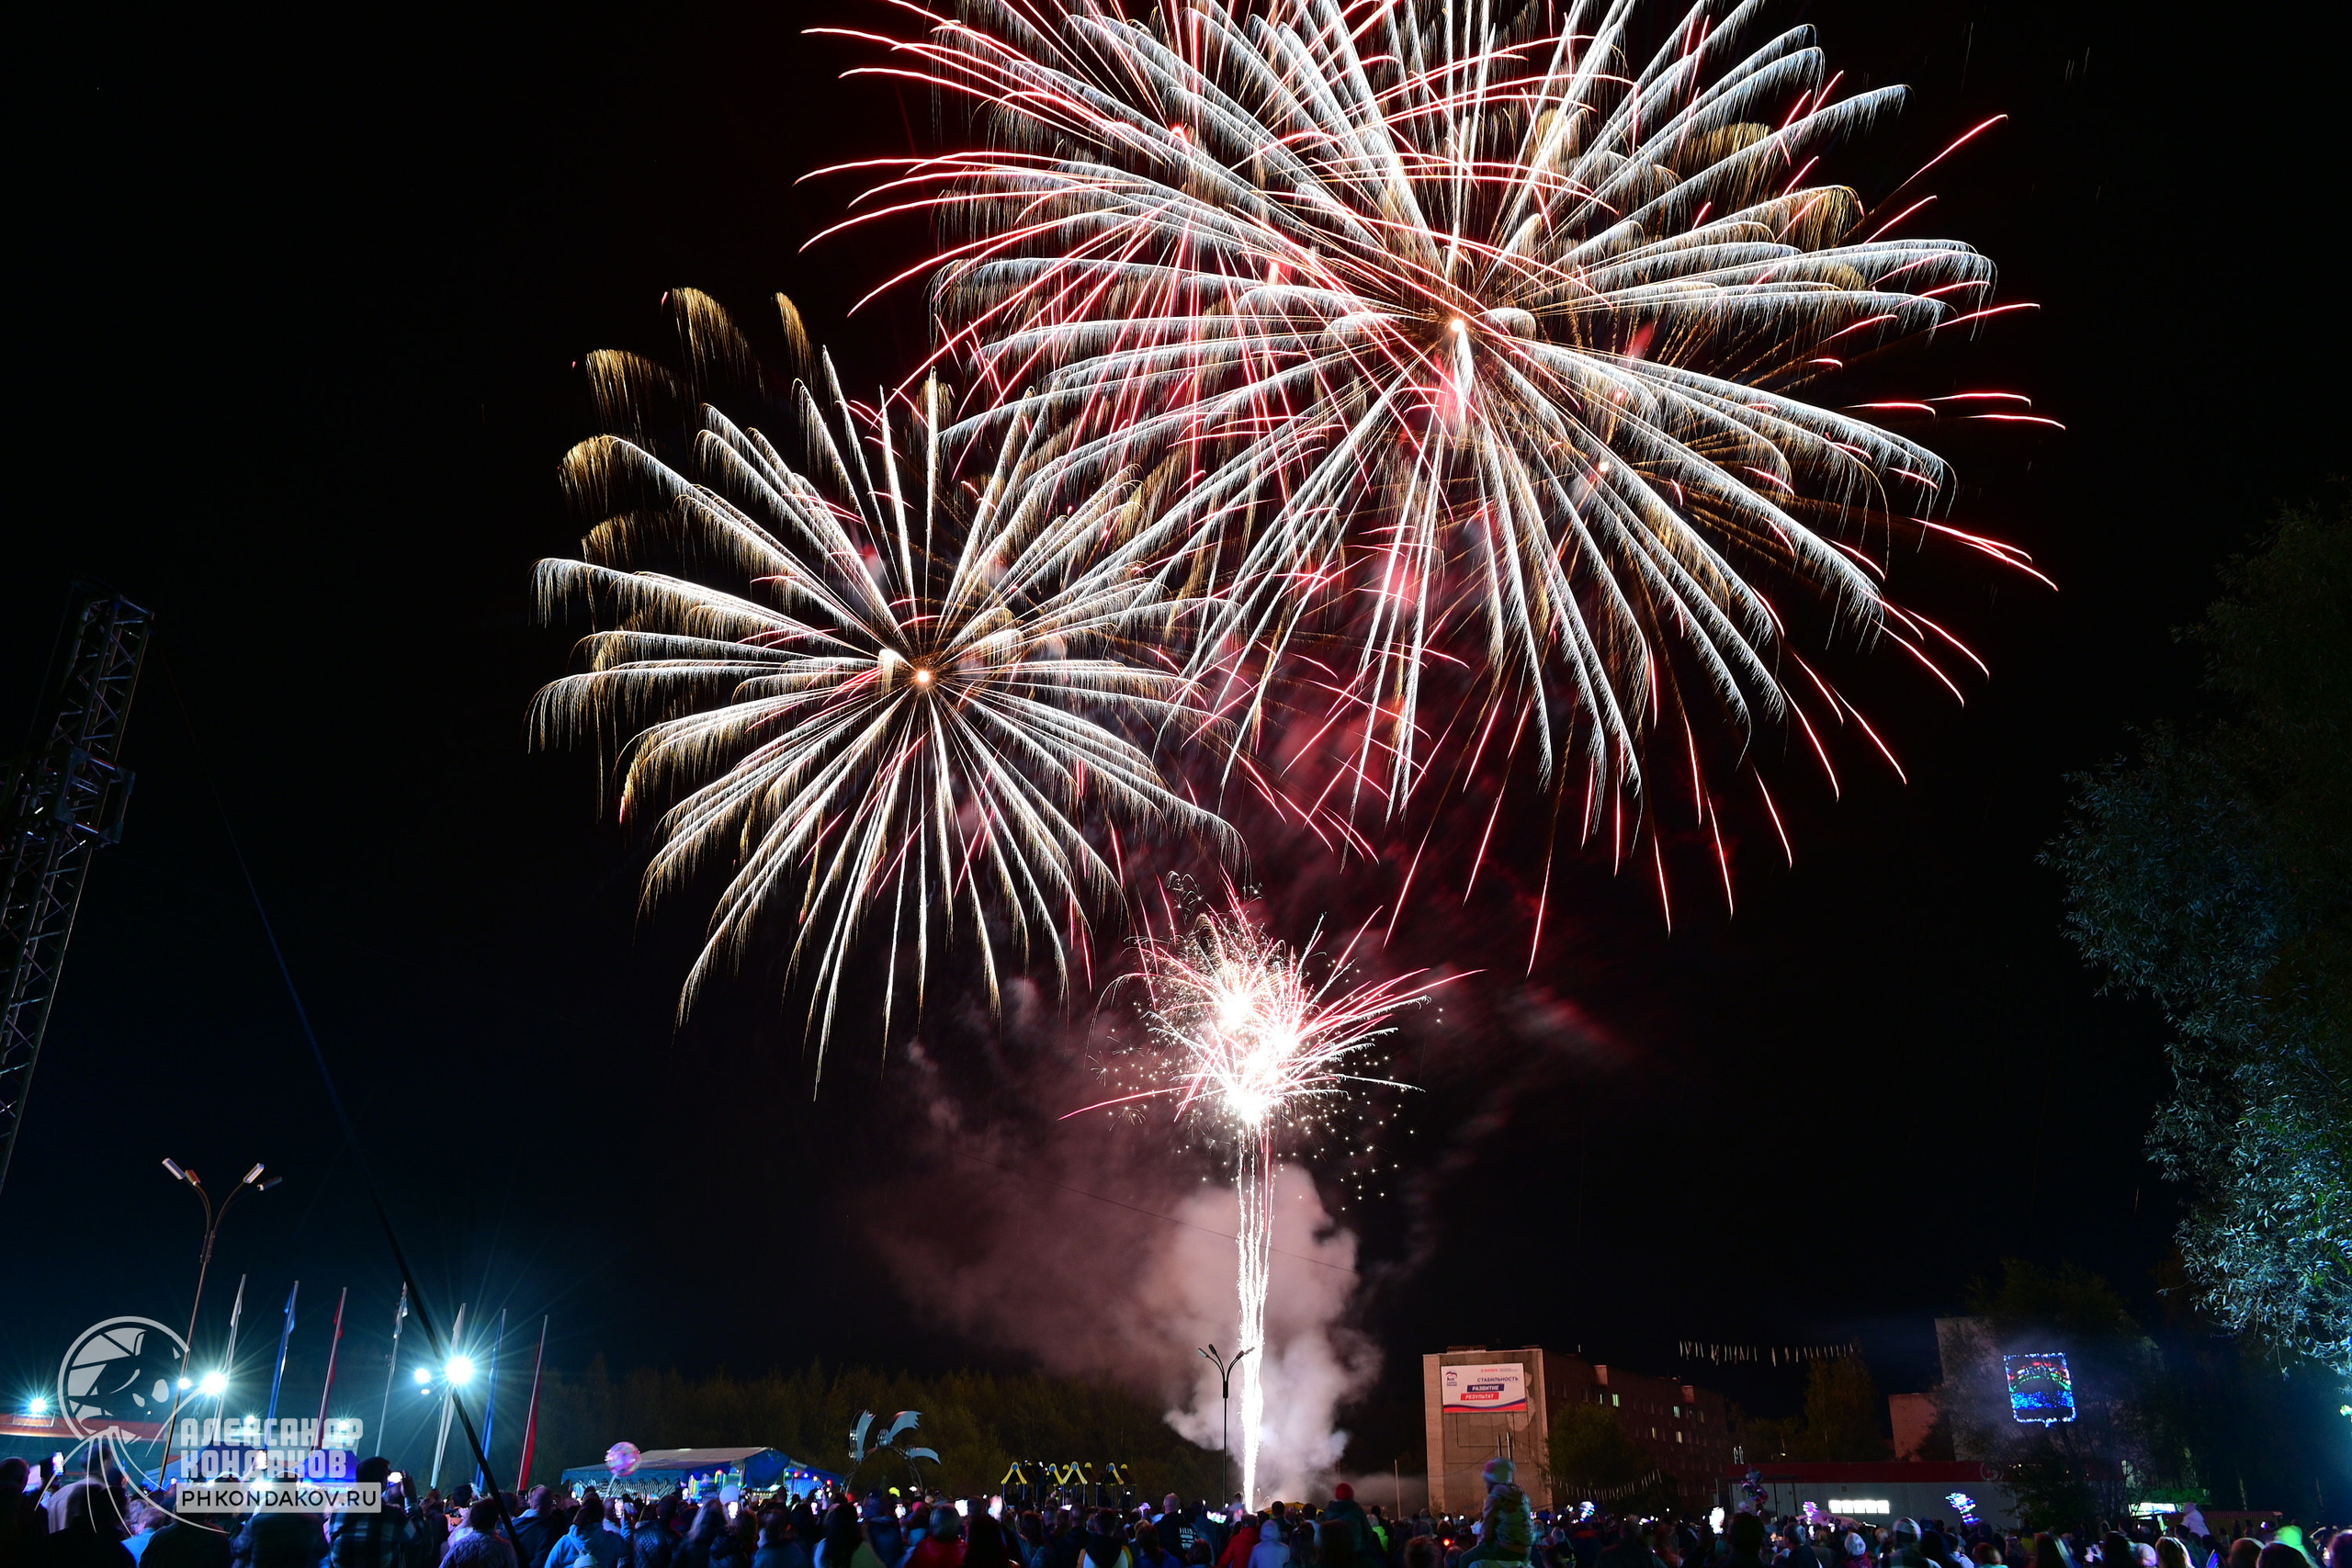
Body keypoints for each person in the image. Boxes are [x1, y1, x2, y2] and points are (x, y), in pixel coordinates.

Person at [331, 1461, 420, 1568]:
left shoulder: (337, 1515)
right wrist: (411, 1499)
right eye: (387, 1474)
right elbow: (416, 1538)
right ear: (382, 1482)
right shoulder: (392, 1515)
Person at [548, 1498, 629, 1568]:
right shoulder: (611, 1541)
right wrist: (625, 1521)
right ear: (601, 1516)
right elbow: (627, 1547)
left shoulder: (564, 1543)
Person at [447, 1503, 521, 1568]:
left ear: (473, 1519)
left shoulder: (460, 1545)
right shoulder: (506, 1547)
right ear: (495, 1520)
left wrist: (466, 1520)